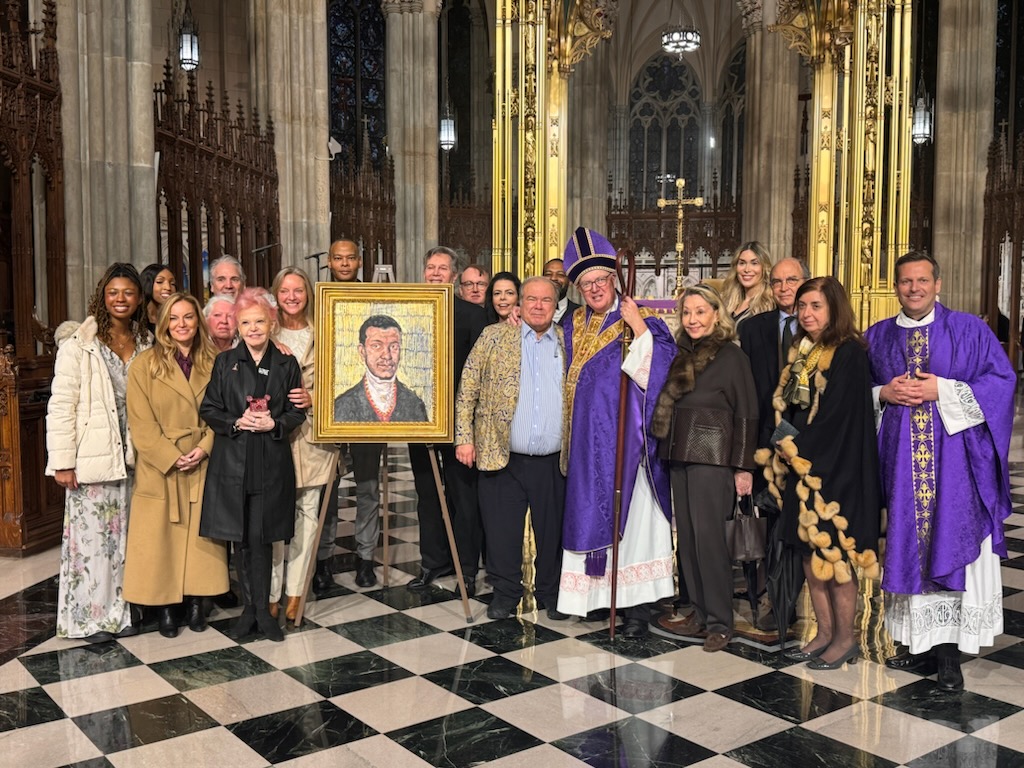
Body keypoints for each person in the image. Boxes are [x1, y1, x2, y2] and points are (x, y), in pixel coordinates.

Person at [866, 252, 1015, 691]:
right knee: (911, 550)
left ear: (938, 284)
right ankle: (920, 644)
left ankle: (949, 656)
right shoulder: (876, 337)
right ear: (896, 287)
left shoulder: (968, 329)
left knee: (951, 543)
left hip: (958, 469)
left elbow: (1002, 383)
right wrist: (883, 393)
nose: (914, 288)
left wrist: (943, 389)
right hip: (902, 471)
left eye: (922, 280)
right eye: (906, 282)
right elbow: (851, 392)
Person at [556, 227, 676, 637]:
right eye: (585, 284)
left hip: (629, 446)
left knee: (636, 524)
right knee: (589, 515)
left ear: (613, 280)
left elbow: (661, 371)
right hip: (586, 446)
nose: (593, 289)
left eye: (600, 281)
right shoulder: (571, 324)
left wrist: (638, 328)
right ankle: (594, 599)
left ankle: (637, 609)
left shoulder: (641, 322)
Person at [757, 276, 881, 669]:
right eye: (803, 306)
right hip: (804, 470)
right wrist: (781, 439)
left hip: (838, 471)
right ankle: (824, 632)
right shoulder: (805, 351)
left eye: (816, 306)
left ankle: (846, 638)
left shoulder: (850, 354)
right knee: (812, 557)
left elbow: (837, 419)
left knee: (839, 559)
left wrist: (794, 447)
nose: (807, 314)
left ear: (834, 309)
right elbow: (790, 409)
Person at [46, 262, 152, 643]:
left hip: (135, 455)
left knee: (125, 540)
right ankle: (90, 618)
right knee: (92, 541)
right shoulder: (80, 345)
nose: (120, 299)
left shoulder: (147, 343)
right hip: (94, 455)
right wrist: (62, 462)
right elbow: (61, 406)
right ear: (102, 296)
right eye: (113, 292)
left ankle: (122, 611)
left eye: (128, 292)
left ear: (140, 298)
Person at [651, 284, 758, 652]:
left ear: (717, 314)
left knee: (711, 542)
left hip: (714, 460)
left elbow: (747, 414)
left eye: (700, 312)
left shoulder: (732, 357)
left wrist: (744, 468)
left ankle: (719, 622)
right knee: (691, 542)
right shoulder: (682, 352)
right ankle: (697, 612)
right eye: (687, 313)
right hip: (680, 455)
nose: (693, 319)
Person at [455, 277, 569, 621]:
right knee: (502, 531)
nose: (538, 305)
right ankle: (505, 593)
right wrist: (464, 437)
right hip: (501, 454)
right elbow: (468, 387)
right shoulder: (494, 336)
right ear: (519, 303)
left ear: (556, 305)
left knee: (552, 533)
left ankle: (551, 593)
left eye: (545, 300)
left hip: (554, 460)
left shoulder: (568, 341)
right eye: (531, 299)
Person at [199, 288, 306, 642]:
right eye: (246, 322)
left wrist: (275, 423)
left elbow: (296, 410)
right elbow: (209, 409)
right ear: (238, 326)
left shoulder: (286, 363)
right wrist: (237, 422)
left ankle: (264, 610)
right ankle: (248, 610)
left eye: (259, 321)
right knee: (241, 539)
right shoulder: (224, 362)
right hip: (234, 462)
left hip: (271, 461)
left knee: (263, 537)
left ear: (271, 322)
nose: (253, 328)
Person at [123, 293, 228, 638]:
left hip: (202, 459)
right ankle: (166, 607)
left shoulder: (216, 362)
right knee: (160, 539)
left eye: (188, 317)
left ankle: (198, 603)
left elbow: (225, 412)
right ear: (163, 322)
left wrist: (204, 447)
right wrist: (170, 455)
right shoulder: (144, 365)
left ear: (198, 321)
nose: (181, 324)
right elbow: (141, 423)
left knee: (201, 539)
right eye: (174, 318)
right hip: (161, 465)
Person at [407, 246, 486, 594]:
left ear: (454, 276)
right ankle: (432, 562)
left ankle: (466, 567)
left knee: (462, 495)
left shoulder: (471, 314)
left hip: (458, 422)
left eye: (442, 268)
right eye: (430, 268)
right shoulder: (410, 312)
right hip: (419, 419)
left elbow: (477, 374)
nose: (436, 273)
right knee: (427, 495)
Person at [269, 268, 341, 623]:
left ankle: (297, 592)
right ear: (276, 294)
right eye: (285, 290)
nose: (293, 296)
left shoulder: (324, 333)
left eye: (299, 290)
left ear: (308, 294)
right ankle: (272, 593)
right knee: (274, 517)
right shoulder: (263, 330)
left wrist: (315, 397)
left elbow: (346, 384)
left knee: (308, 516)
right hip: (272, 440)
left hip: (313, 440)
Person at [317, 238, 382, 591]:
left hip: (368, 406)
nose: (344, 264)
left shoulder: (374, 297)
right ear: (329, 262)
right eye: (337, 258)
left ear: (360, 261)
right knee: (329, 489)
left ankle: (366, 558)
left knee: (368, 487)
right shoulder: (317, 299)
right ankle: (323, 560)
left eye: (350, 258)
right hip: (329, 407)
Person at [740, 258, 810, 463]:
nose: (783, 288)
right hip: (765, 435)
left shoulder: (819, 327)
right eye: (776, 282)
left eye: (791, 280)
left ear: (806, 282)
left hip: (810, 433)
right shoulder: (751, 328)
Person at [333, 315, 429, 422]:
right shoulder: (342, 406)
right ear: (362, 351)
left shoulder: (415, 405)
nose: (387, 356)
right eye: (376, 346)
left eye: (393, 347)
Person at [720, 242, 775, 325]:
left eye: (754, 263)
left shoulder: (771, 304)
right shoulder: (726, 300)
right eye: (742, 263)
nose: (747, 269)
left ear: (764, 268)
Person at [140, 263, 177, 333]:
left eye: (172, 283)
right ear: (147, 284)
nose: (168, 288)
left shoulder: (177, 317)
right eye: (160, 282)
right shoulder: (135, 320)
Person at [542, 257, 580, 325]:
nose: (553, 278)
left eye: (560, 275)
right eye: (548, 274)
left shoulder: (581, 313)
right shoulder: (529, 310)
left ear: (570, 281)